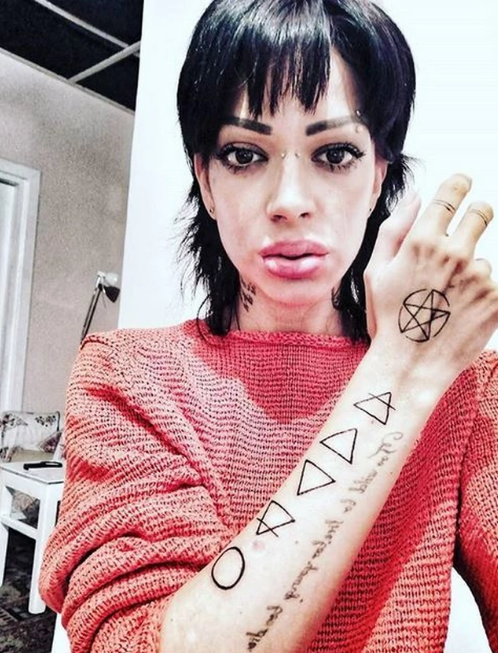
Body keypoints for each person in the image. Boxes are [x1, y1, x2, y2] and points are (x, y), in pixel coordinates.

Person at [40, 0, 498, 651]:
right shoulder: (128, 377)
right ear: (205, 179)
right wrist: (400, 374)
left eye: (334, 153)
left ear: (378, 178)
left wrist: (422, 365)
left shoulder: (464, 385)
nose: (289, 201)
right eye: (244, 154)